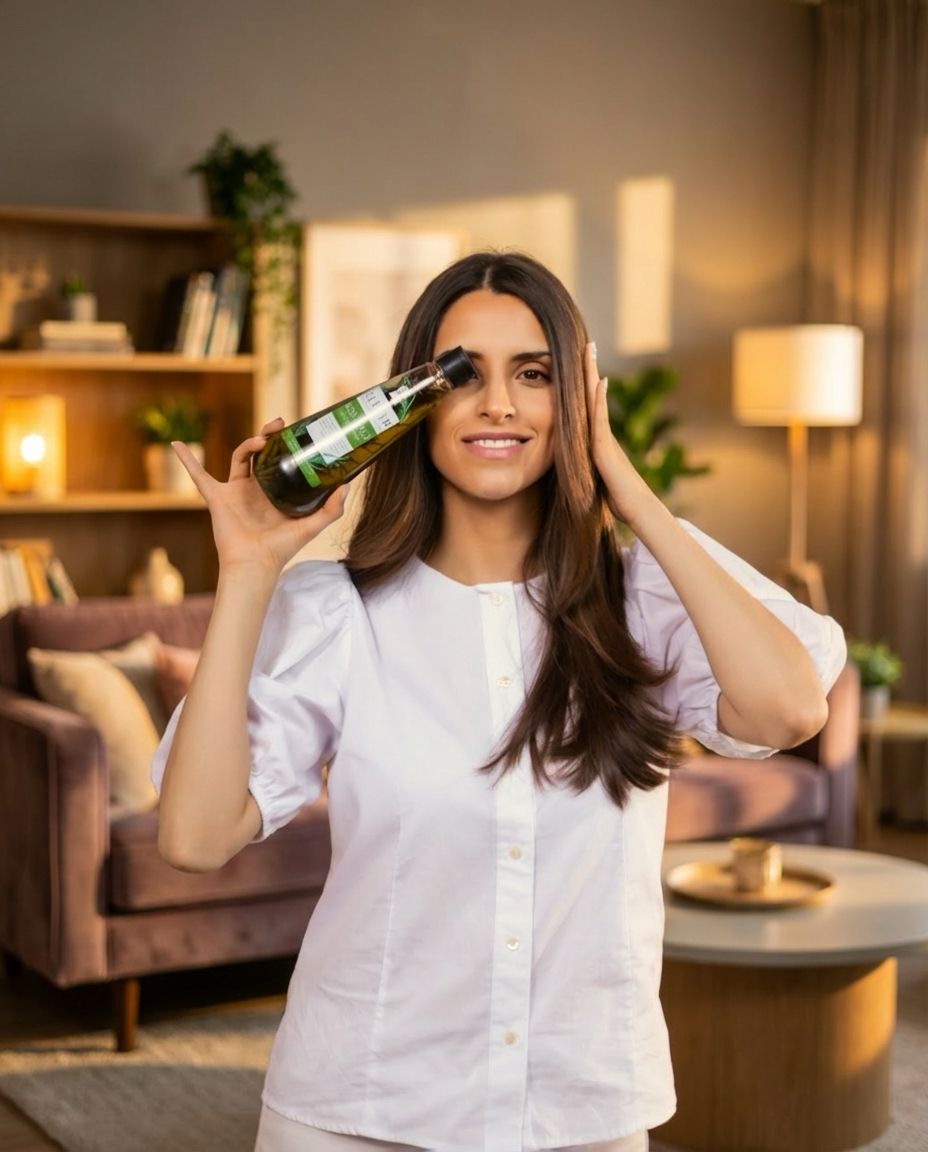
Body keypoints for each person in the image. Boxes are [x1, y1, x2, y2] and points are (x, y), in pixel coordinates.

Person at [153, 251, 846, 1152]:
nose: (499, 405)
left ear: (579, 400)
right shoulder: (338, 613)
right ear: (411, 402)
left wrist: (621, 482)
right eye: (461, 375)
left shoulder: (641, 598)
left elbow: (792, 709)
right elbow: (195, 839)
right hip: (362, 1105)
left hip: (581, 1109)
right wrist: (248, 570)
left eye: (534, 373)